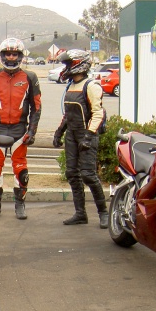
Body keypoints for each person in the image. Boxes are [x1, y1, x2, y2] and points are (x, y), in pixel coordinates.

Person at [0, 37, 42, 220]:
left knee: (21, 170)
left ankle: (20, 205)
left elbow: (37, 107)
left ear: (20, 56)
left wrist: (32, 131)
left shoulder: (30, 77)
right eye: (8, 54)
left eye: (15, 54)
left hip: (19, 131)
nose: (11, 57)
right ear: (2, 55)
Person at [52, 49, 108, 228]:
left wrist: (89, 136)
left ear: (78, 64)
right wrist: (59, 132)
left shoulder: (91, 86)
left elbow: (98, 113)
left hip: (86, 134)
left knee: (88, 175)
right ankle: (80, 213)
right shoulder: (71, 86)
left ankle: (104, 213)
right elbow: (67, 114)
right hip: (72, 135)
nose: (66, 67)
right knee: (72, 174)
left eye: (68, 64)